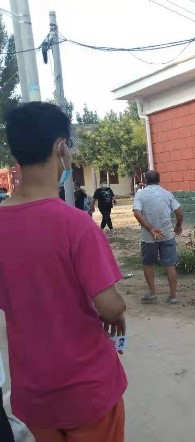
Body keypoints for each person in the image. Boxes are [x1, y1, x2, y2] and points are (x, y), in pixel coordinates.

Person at [0, 102, 127, 441]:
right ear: (61, 149)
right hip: (87, 389)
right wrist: (119, 311)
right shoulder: (75, 224)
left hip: (33, 393)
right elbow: (110, 307)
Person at [133, 170, 183, 305]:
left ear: (145, 180)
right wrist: (178, 226)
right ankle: (173, 296)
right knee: (170, 265)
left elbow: (137, 213)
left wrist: (150, 228)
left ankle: (152, 293)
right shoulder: (166, 194)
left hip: (149, 237)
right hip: (167, 234)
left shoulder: (140, 194)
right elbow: (179, 212)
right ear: (158, 180)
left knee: (148, 264)